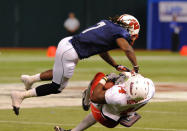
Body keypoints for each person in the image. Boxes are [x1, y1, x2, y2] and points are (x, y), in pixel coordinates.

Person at [11, 14, 140, 115]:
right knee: (57, 87)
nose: (133, 37)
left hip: (69, 44)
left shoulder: (108, 25)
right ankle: (20, 95)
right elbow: (127, 49)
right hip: (71, 51)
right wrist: (135, 67)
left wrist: (115, 65)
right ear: (130, 27)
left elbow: (102, 51)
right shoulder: (119, 32)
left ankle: (31, 79)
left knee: (59, 73)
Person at [54, 72, 155, 131]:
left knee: (99, 77)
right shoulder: (149, 91)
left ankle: (86, 99)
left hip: (105, 117)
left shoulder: (117, 96)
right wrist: (127, 73)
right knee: (103, 106)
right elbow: (136, 77)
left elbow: (95, 96)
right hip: (117, 116)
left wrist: (107, 77)